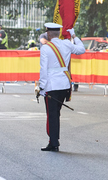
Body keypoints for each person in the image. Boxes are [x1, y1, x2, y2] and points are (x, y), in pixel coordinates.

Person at [36, 22, 85, 152]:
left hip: (52, 85)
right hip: (65, 84)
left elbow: (43, 70)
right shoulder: (67, 43)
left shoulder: (45, 48)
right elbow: (81, 49)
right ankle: (54, 140)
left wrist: (41, 88)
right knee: (56, 113)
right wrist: (74, 36)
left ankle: (53, 143)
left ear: (48, 33)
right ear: (58, 33)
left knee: (52, 114)